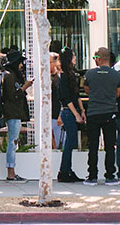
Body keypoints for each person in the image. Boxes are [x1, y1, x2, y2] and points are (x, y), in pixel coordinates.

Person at [82, 47, 120, 185]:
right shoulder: (116, 75)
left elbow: (87, 90)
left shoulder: (90, 74)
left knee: (93, 145)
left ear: (99, 58)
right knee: (110, 145)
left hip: (93, 112)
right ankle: (110, 175)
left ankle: (92, 176)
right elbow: (118, 93)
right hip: (110, 113)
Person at [0, 50, 31, 183]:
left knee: (13, 142)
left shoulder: (9, 75)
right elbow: (13, 96)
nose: (22, 66)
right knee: (13, 142)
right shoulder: (10, 76)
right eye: (20, 63)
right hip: (13, 112)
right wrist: (25, 87)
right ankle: (11, 173)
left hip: (14, 112)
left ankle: (11, 172)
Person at [56, 48, 86, 182]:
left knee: (71, 141)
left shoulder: (71, 75)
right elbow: (67, 98)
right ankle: (64, 170)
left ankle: (67, 169)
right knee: (70, 142)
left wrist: (82, 110)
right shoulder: (63, 76)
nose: (75, 58)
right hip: (69, 112)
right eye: (73, 56)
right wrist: (76, 114)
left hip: (72, 111)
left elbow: (76, 95)